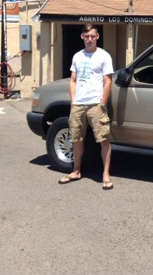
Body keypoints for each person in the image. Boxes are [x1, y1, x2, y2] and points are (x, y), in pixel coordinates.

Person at [58, 24, 114, 190]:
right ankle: (76, 171)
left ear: (97, 37)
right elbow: (73, 80)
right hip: (78, 105)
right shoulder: (77, 56)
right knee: (76, 139)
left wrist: (102, 103)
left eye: (93, 36)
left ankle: (105, 174)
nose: (90, 39)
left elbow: (108, 81)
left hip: (96, 104)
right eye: (87, 36)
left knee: (103, 139)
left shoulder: (104, 56)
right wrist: (73, 102)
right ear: (82, 37)